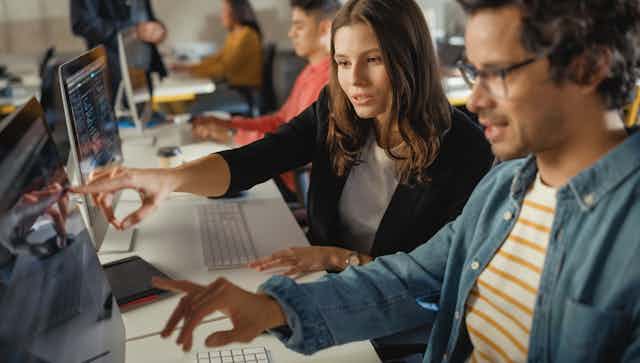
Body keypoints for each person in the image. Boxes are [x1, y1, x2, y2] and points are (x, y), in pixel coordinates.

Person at [141, 0, 640, 361]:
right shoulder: (507, 186)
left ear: (588, 67)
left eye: (497, 74)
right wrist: (270, 307)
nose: (478, 99)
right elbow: (412, 278)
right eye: (473, 74)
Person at [73, 0, 492, 279]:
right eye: (343, 63)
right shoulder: (337, 107)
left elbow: (437, 277)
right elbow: (256, 160)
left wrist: (335, 259)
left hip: (383, 305)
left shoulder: (465, 149)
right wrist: (168, 180)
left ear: (410, 60)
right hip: (324, 279)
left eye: (374, 60)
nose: (355, 80)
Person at [192, 0, 340, 196]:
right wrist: (227, 123)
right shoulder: (309, 71)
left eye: (299, 26)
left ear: (324, 29)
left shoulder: (328, 83)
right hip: (280, 167)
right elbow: (280, 122)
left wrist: (232, 135)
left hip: (293, 182)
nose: (290, 33)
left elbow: (296, 148)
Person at [71, 0, 168, 97]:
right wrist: (132, 29)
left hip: (144, 77)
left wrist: (158, 29)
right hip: (114, 78)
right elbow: (82, 23)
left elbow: (143, 15)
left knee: (146, 110)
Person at [174, 0, 262, 90]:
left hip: (243, 90)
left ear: (236, 12)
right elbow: (217, 59)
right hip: (234, 86)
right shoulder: (234, 34)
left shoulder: (246, 35)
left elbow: (225, 69)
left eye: (224, 10)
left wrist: (191, 70)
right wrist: (189, 67)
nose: (221, 15)